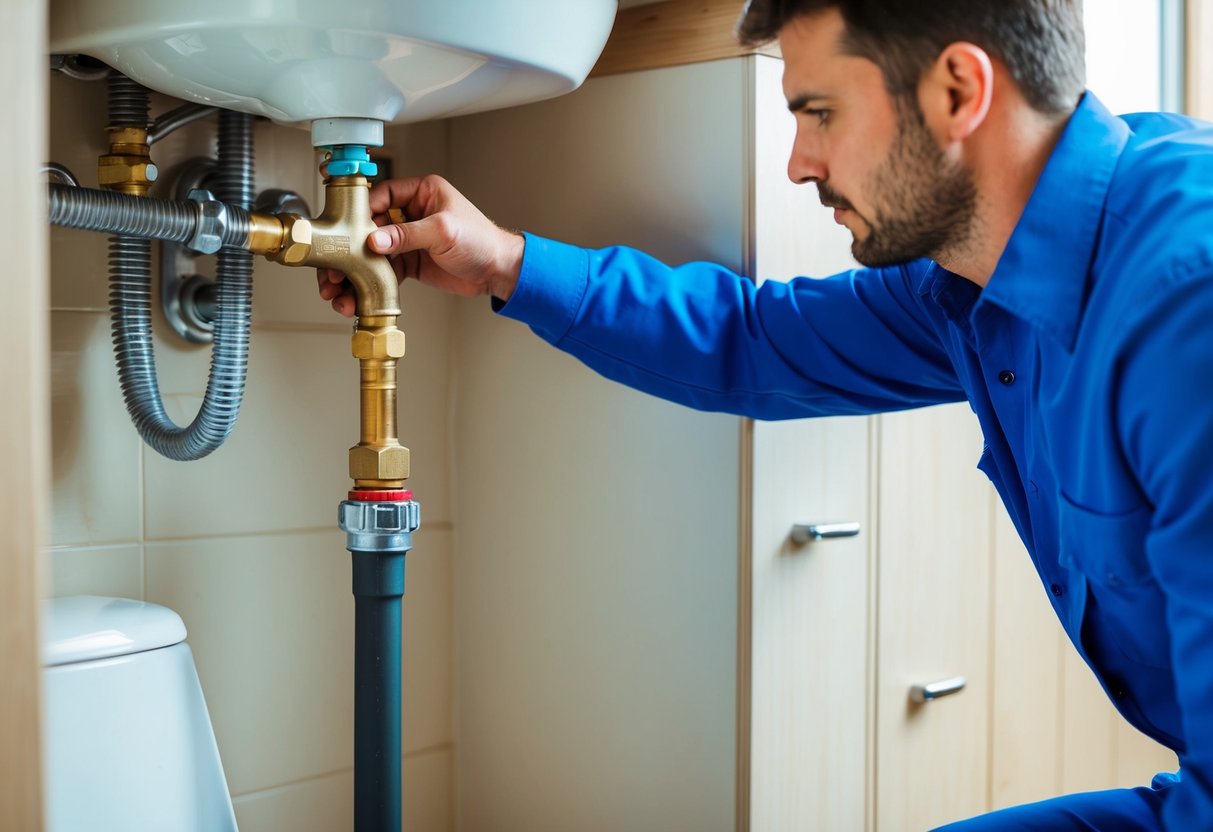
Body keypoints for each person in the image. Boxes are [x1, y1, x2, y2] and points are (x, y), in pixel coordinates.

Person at [318, 1, 1213, 828]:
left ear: (957, 92)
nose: (797, 163)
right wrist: (503, 263)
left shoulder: (1185, 303)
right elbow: (755, 339)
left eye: (817, 112)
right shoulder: (979, 282)